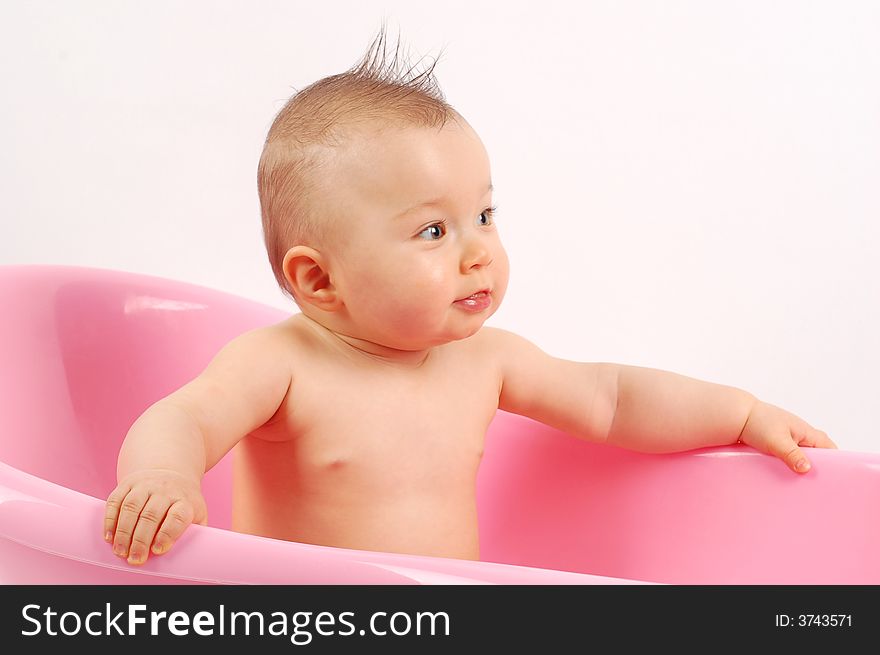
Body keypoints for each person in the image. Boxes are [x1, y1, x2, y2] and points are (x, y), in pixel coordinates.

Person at [104, 28, 836, 566]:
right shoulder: (280, 364)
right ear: (319, 280)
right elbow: (185, 417)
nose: (479, 248)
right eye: (432, 230)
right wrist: (162, 476)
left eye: (484, 216)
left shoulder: (485, 361)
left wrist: (738, 413)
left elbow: (610, 397)